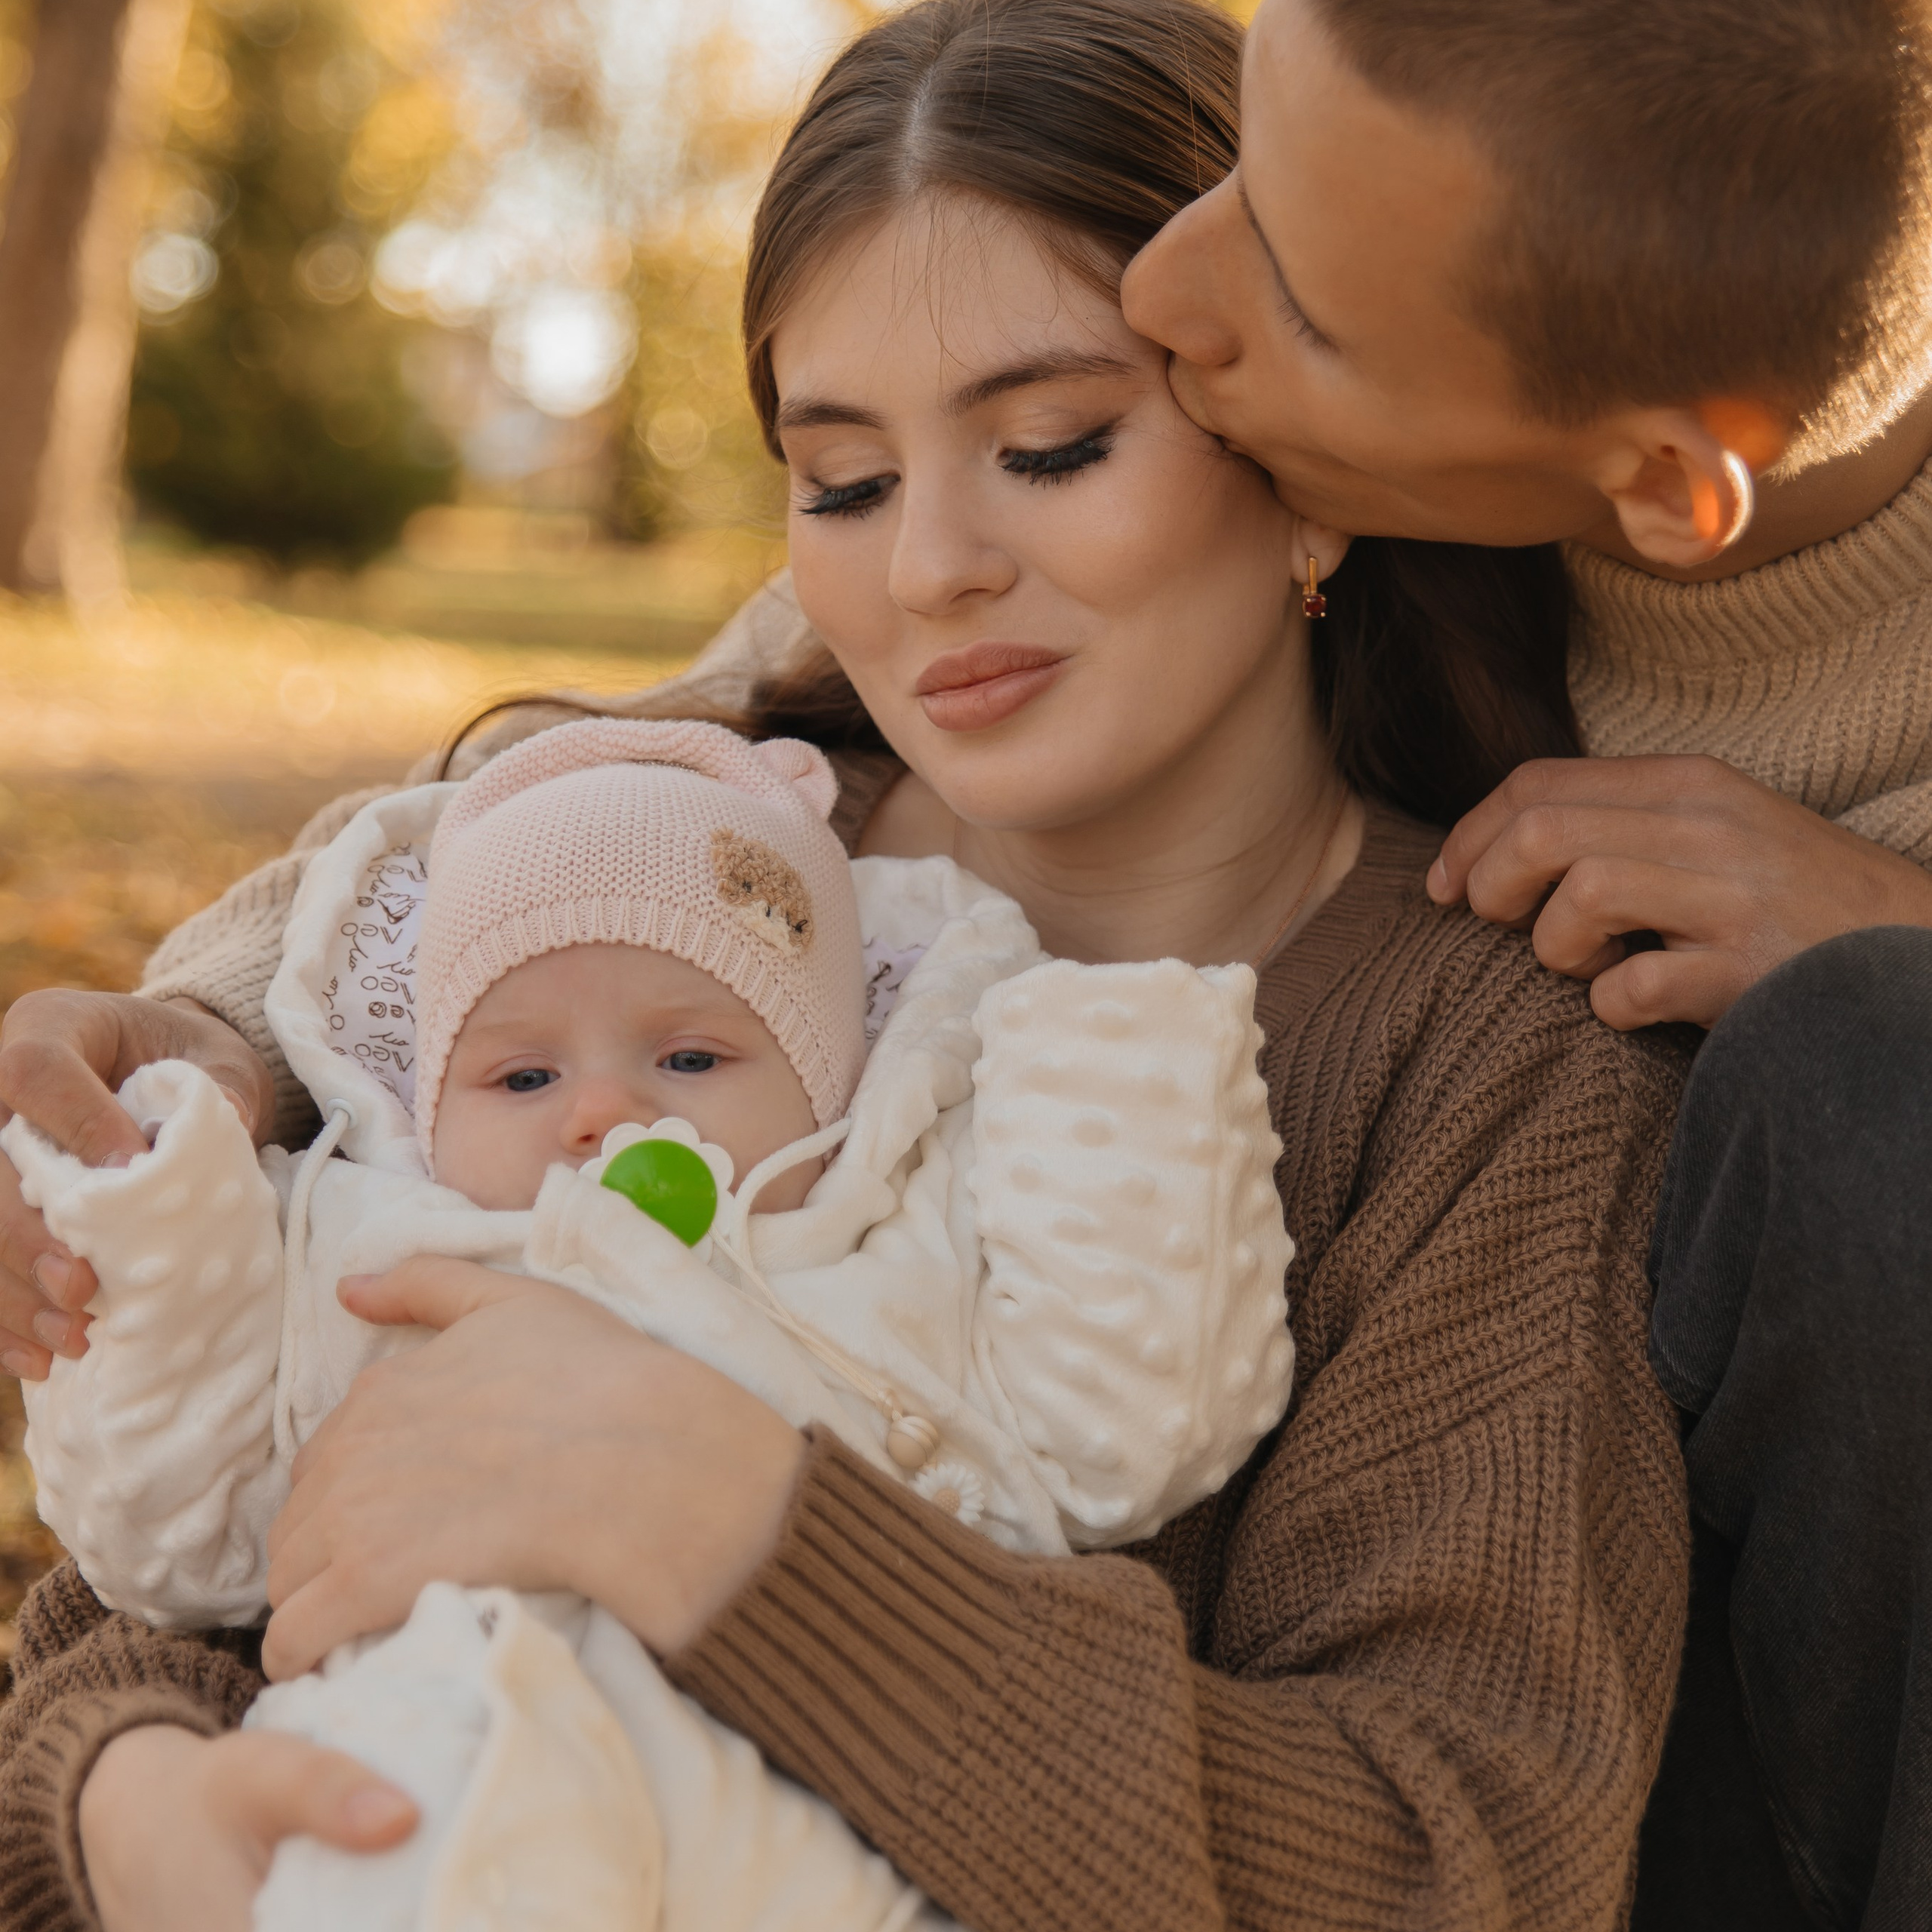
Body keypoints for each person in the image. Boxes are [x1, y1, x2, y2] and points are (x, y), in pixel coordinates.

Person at [0, 4, 1690, 1928]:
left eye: (1049, 444)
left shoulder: (1490, 1065)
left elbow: (1453, 1852)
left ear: (1297, 450)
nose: (932, 568)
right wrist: (126, 1806)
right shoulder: (647, 889)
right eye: (846, 482)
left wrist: (722, 1519)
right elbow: (160, 1595)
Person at [1109, 2, 1932, 1924]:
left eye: (1300, 312)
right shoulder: (1337, 319)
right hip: (1452, 1622)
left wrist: (1887, 927)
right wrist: (241, 1021)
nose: (1164, 283)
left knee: (1873, 1082)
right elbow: (755, 697)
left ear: (1662, 482)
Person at [5, 712, 1291, 1932]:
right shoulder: (365, 1254)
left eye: (689, 1058)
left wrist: (1116, 1054)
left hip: (829, 1793)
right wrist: (154, 1229)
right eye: (522, 1075)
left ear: (834, 1080)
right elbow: (178, 1525)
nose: (599, 1110)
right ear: (426, 1101)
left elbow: (1124, 1427)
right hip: (451, 1752)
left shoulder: (902, 1255)